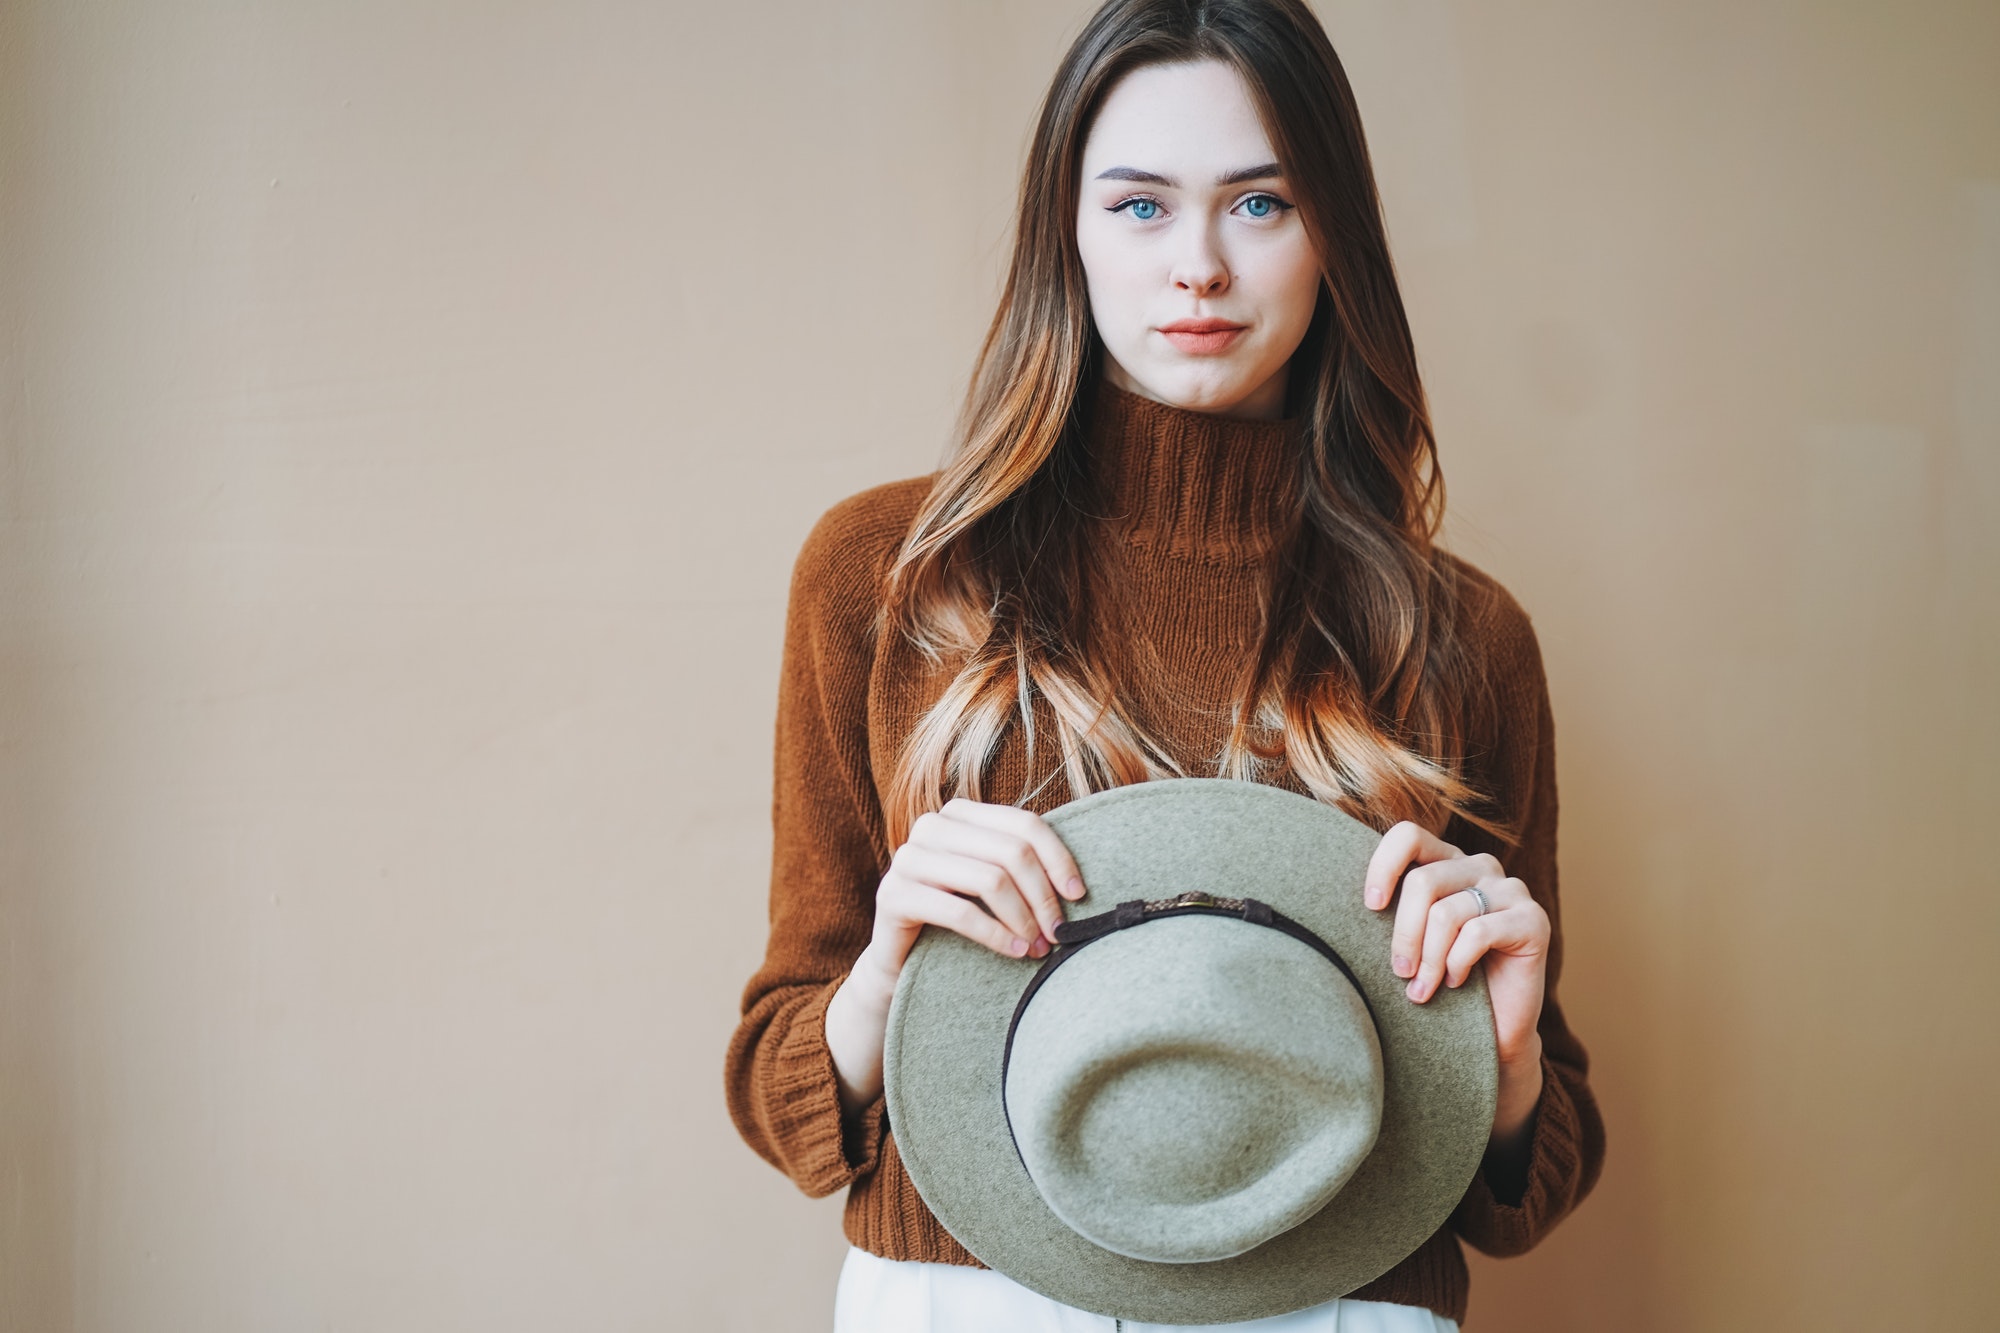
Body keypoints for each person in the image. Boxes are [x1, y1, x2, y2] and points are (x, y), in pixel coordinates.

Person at [723, 1, 1606, 1328]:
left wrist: (1512, 1049)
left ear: (1334, 243)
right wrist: (889, 977)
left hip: (1341, 1302)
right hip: (961, 1298)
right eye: (1140, 207)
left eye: (1261, 205)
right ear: (1064, 236)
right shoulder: (884, 576)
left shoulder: (1465, 635)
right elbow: (786, 1096)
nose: (1198, 265)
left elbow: (1524, 1187)